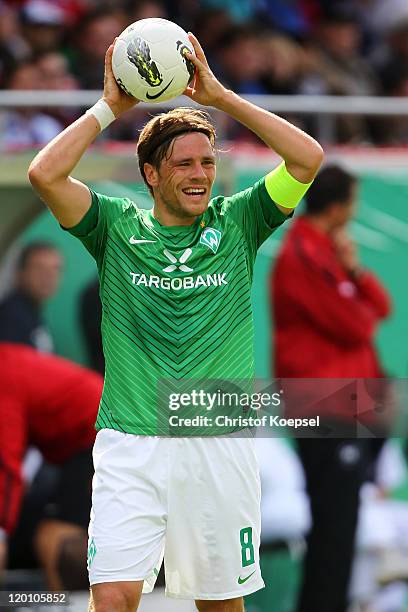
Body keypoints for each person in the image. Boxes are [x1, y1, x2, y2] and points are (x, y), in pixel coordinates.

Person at [28, 32, 323, 611]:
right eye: (183, 163)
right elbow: (44, 175)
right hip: (130, 442)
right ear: (150, 175)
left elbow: (308, 158)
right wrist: (109, 107)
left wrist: (222, 97)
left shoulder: (242, 221)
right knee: (112, 599)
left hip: (217, 442)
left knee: (219, 605)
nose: (200, 174)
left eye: (208, 162)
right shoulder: (113, 226)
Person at [271, 164, 392, 612]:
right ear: (340, 206)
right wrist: (351, 285)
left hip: (346, 406)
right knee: (332, 534)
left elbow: (380, 305)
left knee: (338, 531)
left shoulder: (326, 252)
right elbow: (356, 322)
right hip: (326, 406)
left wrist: (355, 271)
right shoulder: (303, 255)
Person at [0, 342, 103, 591]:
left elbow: (7, 469)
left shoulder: (5, 375)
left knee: (52, 537)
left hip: (97, 439)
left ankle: (67, 604)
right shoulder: (10, 361)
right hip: (85, 444)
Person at [0, 241, 62, 351]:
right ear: (20, 272)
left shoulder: (32, 313)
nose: (48, 276)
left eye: (55, 269)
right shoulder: (10, 316)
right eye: (39, 268)